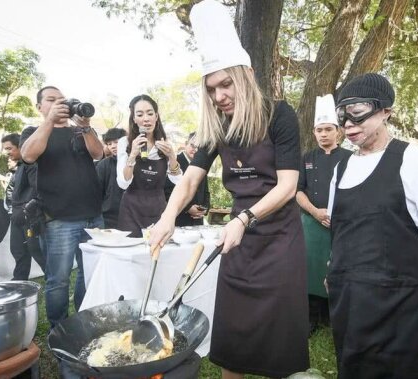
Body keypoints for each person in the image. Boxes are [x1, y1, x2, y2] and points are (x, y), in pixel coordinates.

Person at [149, 1, 309, 377]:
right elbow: (190, 178)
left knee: (279, 333)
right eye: (212, 88)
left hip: (279, 236)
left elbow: (287, 186)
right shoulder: (216, 126)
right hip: (239, 240)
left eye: (226, 84)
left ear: (246, 75)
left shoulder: (279, 115)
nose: (219, 95)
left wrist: (245, 218)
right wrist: (167, 217)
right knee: (232, 332)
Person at [326, 73, 418, 378]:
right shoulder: (341, 167)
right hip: (350, 302)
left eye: (358, 110)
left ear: (385, 110)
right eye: (341, 114)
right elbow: (339, 229)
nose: (348, 123)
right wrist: (331, 270)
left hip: (401, 306)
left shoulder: (415, 160)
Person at [20, 86, 103, 328]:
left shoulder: (79, 131)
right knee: (59, 279)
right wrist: (49, 121)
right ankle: (59, 328)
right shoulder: (33, 131)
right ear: (39, 107)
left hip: (93, 216)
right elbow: (28, 155)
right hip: (58, 218)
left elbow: (98, 153)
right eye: (51, 100)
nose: (59, 104)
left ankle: (83, 318)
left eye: (62, 101)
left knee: (89, 273)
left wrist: (86, 126)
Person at [296, 94, 351, 334]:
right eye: (319, 130)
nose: (323, 134)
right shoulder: (307, 158)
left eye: (328, 129)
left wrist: (336, 214)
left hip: (341, 224)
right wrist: (316, 212)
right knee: (309, 269)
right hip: (310, 222)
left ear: (338, 132)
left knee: (337, 268)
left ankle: (334, 316)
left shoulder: (351, 158)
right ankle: (310, 317)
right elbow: (297, 191)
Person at [116, 94, 181, 237]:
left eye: (150, 113)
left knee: (158, 252)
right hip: (131, 210)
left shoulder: (165, 143)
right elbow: (123, 183)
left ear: (156, 116)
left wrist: (172, 156)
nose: (146, 119)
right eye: (140, 114)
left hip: (158, 209)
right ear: (134, 119)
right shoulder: (124, 142)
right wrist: (132, 154)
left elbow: (177, 180)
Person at [1, 133, 46, 280]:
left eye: (10, 148)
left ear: (21, 146)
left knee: (37, 252)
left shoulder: (31, 164)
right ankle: (19, 283)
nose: (7, 152)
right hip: (16, 216)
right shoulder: (19, 166)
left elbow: (38, 189)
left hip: (30, 217)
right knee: (18, 252)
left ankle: (54, 282)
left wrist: (26, 210)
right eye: (5, 149)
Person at [164, 132, 210, 227]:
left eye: (199, 148)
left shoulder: (202, 164)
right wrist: (187, 208)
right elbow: (167, 191)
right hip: (178, 219)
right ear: (185, 144)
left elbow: (206, 191)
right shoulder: (174, 162)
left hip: (198, 221)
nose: (195, 150)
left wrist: (205, 209)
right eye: (192, 145)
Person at [96, 128, 126, 228]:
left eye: (116, 142)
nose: (113, 146)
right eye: (109, 144)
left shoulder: (136, 162)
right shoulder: (103, 165)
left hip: (134, 215)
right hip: (109, 219)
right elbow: (97, 192)